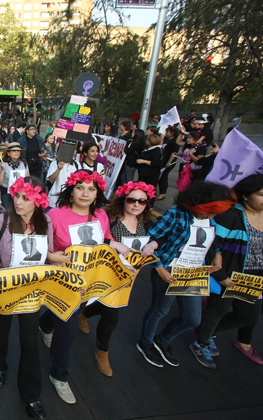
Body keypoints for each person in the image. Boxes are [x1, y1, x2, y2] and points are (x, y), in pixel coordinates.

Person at [40, 170, 129, 404]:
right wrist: (52, 256)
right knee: (68, 332)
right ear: (71, 191)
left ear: (97, 193)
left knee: (61, 317)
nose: (85, 193)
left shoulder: (101, 214)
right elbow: (41, 247)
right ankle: (58, 375)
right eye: (80, 188)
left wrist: (117, 247)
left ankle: (45, 324)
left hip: (89, 282)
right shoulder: (55, 215)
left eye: (91, 189)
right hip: (63, 281)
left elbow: (105, 240)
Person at [0, 176, 64, 420]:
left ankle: (31, 395)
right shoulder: (1, 220)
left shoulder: (46, 221)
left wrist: (55, 259)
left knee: (30, 342)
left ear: (38, 201)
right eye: (16, 195)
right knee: (1, 329)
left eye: (25, 198)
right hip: (4, 289)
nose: (18, 201)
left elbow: (46, 254)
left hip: (31, 292)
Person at [137, 181, 236, 368]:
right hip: (169, 270)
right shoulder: (175, 215)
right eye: (211, 211)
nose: (213, 216)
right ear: (200, 204)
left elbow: (212, 243)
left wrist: (217, 255)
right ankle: (146, 343)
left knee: (192, 318)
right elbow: (149, 240)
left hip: (194, 273)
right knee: (160, 310)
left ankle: (163, 340)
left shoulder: (210, 220)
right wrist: (160, 269)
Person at [82, 181, 156, 376]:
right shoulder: (109, 217)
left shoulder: (146, 223)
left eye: (142, 201)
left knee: (108, 309)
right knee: (105, 312)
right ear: (123, 199)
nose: (136, 204)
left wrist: (154, 244)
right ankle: (102, 351)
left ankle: (90, 325)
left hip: (128, 277)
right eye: (132, 199)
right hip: (103, 272)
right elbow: (92, 238)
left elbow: (160, 237)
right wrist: (113, 244)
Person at [193, 174, 263, 368]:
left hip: (254, 278)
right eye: (261, 194)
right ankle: (202, 342)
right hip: (229, 276)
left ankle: (205, 330)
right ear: (246, 196)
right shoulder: (231, 215)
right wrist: (220, 276)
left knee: (248, 316)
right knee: (217, 311)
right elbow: (210, 245)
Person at [0, 143, 29, 208]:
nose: (16, 152)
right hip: (7, 195)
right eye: (14, 150)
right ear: (8, 153)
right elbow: (0, 182)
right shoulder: (4, 164)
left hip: (21, 193)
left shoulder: (24, 163)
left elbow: (28, 179)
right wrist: (2, 170)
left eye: (18, 151)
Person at [158, 126, 180, 201]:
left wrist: (169, 162)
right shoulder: (167, 140)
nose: (166, 133)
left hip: (169, 162)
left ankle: (162, 193)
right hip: (163, 161)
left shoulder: (174, 141)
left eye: (167, 132)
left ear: (173, 133)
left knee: (163, 177)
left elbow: (174, 153)